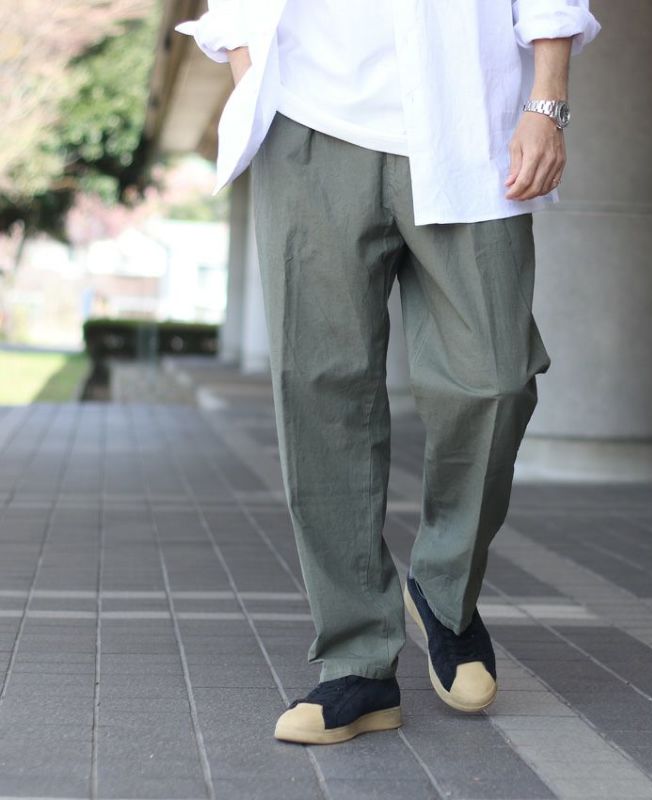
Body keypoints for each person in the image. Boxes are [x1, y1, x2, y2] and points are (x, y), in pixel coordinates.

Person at [177, 0, 600, 745]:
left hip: (467, 120)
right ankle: (357, 663)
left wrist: (547, 102)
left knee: (496, 377)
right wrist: (250, 72)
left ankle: (442, 589)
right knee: (321, 391)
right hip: (310, 122)